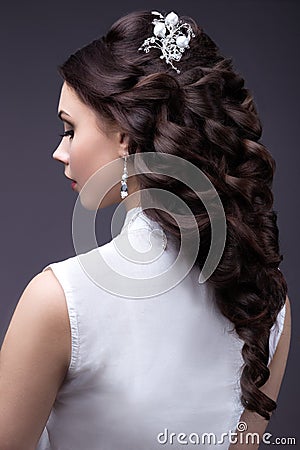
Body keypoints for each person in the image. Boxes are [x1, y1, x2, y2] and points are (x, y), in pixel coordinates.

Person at [0, 9, 291, 450]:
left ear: (125, 135)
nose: (60, 152)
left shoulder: (60, 299)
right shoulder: (268, 302)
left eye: (69, 128)